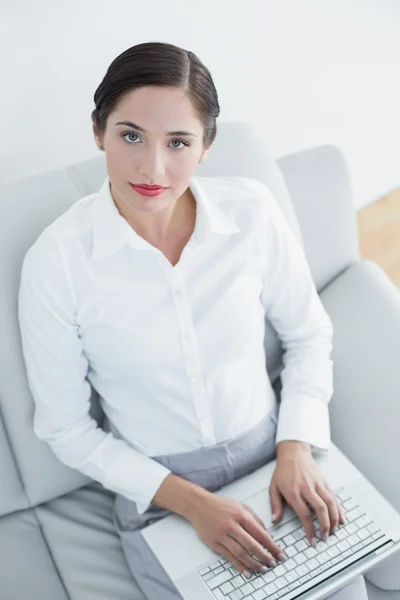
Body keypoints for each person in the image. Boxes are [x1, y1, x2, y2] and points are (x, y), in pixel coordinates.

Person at [17, 41, 368, 599]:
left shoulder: (251, 212)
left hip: (277, 456)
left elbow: (308, 334)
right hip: (163, 496)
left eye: (178, 142)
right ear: (97, 131)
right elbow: (65, 428)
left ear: (206, 146)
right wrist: (192, 503)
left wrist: (296, 447)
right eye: (130, 135)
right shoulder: (57, 262)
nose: (152, 168)